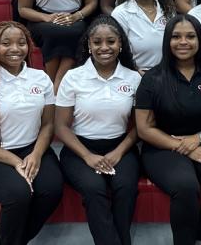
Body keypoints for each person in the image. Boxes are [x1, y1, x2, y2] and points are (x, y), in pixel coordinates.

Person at [135, 14, 201, 245]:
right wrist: (184, 146)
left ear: (200, 41)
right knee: (185, 187)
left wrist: (198, 138)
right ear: (167, 41)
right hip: (162, 147)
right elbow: (144, 128)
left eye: (190, 36)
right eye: (176, 37)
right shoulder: (152, 78)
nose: (183, 42)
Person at [0, 21, 63, 245]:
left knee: (51, 190)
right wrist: (14, 161)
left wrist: (36, 155)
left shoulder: (41, 79)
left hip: (32, 148)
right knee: (18, 194)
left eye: (21, 43)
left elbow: (48, 125)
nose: (15, 49)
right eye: (5, 43)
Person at [55, 16, 142, 245]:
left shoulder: (133, 78)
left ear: (120, 44)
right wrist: (88, 156)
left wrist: (118, 152)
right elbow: (61, 127)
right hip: (80, 149)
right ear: (89, 45)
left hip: (121, 146)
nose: (104, 47)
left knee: (125, 189)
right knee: (94, 190)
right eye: (97, 42)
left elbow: (139, 127)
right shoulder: (73, 77)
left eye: (111, 41)